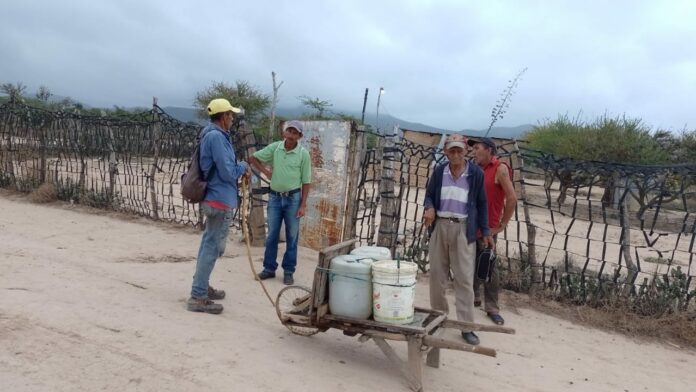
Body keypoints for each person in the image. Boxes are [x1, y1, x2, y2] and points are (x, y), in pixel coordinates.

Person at [423, 134, 493, 346]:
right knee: (436, 276)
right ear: (446, 151)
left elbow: (481, 203)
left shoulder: (475, 174)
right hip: (440, 227)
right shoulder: (439, 171)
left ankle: (466, 327)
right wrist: (430, 207)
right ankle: (438, 318)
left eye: (459, 151)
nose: (455, 154)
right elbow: (429, 195)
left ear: (465, 152)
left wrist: (486, 231)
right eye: (451, 150)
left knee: (463, 279)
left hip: (463, 229)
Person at [187, 98, 250, 314]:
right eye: (231, 115)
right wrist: (242, 166)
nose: (232, 119)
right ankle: (198, 295)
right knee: (213, 247)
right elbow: (227, 172)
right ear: (223, 117)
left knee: (209, 245)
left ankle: (201, 287)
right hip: (219, 198)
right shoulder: (216, 137)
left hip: (215, 198)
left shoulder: (211, 134)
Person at [249, 120, 312, 285]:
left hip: (293, 199)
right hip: (275, 198)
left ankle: (289, 271)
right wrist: (266, 172)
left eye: (295, 132)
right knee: (272, 236)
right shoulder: (275, 148)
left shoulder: (303, 154)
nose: (291, 135)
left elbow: (306, 182)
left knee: (292, 237)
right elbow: (253, 158)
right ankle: (269, 268)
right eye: (289, 131)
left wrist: (303, 205)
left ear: (300, 136)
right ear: (284, 133)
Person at [469, 137, 517, 326]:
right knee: (469, 262)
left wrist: (502, 224)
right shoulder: (475, 168)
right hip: (471, 224)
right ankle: (473, 297)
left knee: (488, 266)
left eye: (477, 148)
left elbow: (512, 199)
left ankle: (492, 308)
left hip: (488, 228)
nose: (474, 152)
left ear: (489, 150)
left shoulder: (500, 169)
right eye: (472, 149)